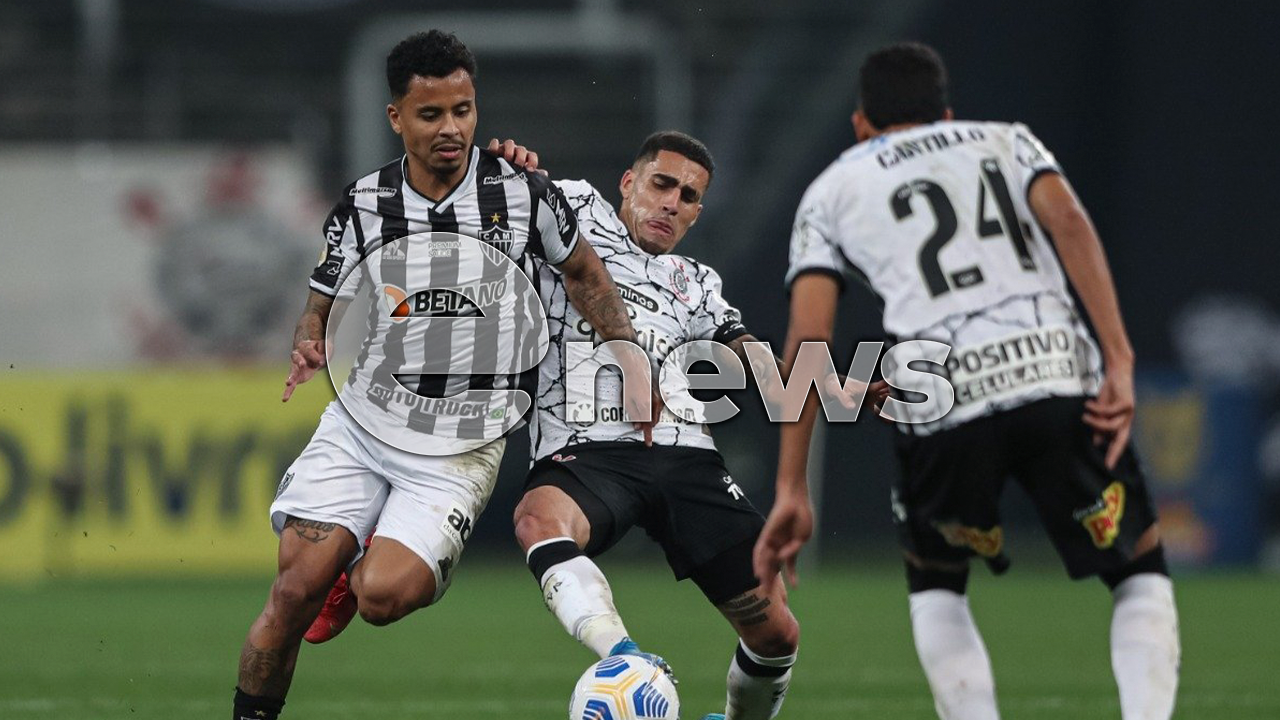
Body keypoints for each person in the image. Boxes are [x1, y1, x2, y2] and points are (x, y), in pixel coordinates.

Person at [753, 43, 1180, 720]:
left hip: (944, 396)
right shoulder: (1006, 141)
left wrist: (789, 487)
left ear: (861, 122)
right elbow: (1068, 221)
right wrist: (1119, 359)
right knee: (1137, 571)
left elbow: (808, 341)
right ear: (946, 112)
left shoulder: (831, 189)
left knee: (938, 587)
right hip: (1056, 375)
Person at [232, 30, 650, 720]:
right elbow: (321, 301)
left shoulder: (522, 193)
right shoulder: (365, 203)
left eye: (463, 109)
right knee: (291, 591)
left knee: (381, 598)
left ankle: (357, 559)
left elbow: (584, 273)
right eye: (432, 114)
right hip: (364, 420)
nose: (452, 128)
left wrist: (628, 353)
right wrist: (309, 340)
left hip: (457, 445)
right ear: (397, 117)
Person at [516, 131, 827, 720]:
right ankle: (625, 658)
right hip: (589, 446)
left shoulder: (698, 281)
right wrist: (513, 167)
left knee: (777, 634)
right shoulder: (574, 207)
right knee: (538, 519)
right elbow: (501, 202)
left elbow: (759, 365)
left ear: (697, 213)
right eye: (661, 184)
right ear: (628, 183)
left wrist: (842, 389)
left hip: (686, 457)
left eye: (688, 197)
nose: (671, 203)